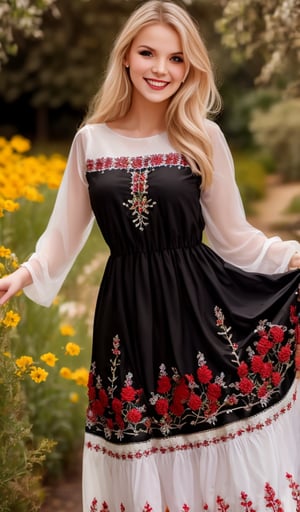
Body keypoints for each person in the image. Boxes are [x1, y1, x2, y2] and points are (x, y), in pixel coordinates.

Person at [1, 1, 300, 510]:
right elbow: (62, 234)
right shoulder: (90, 141)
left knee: (209, 443)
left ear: (190, 67)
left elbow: (235, 238)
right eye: (148, 53)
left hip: (202, 315)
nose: (161, 69)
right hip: (126, 319)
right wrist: (23, 276)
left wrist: (291, 256)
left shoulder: (202, 136)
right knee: (139, 441)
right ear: (125, 57)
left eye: (177, 58)